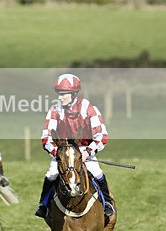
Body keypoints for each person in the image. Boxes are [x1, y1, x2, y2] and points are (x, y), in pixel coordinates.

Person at [35, 73, 115, 218]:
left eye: (63, 94)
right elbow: (46, 137)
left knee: (96, 172)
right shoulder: (54, 110)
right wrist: (58, 153)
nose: (60, 97)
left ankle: (107, 203)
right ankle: (43, 205)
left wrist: (87, 152)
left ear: (73, 94)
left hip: (83, 150)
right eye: (59, 93)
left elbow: (101, 136)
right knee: (51, 175)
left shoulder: (89, 108)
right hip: (62, 151)